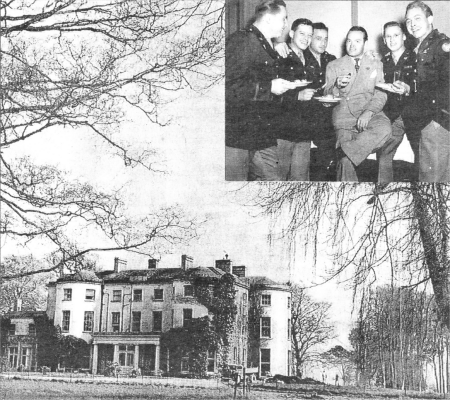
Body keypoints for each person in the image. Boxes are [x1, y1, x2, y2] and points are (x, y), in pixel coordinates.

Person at [225, 0, 298, 181]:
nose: (286, 24)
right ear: (267, 19)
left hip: (262, 134)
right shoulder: (242, 40)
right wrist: (270, 87)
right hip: (239, 136)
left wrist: (279, 87)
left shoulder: (265, 45)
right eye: (283, 19)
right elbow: (229, 88)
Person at [324, 26, 391, 181]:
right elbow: (326, 98)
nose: (352, 45)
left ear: (365, 43)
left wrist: (369, 112)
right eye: (349, 40)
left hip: (370, 114)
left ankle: (344, 151)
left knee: (385, 128)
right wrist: (336, 86)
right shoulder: (333, 65)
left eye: (357, 41)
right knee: (346, 164)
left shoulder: (376, 64)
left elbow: (381, 93)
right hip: (344, 119)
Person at [403, 1, 449, 182]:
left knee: (432, 182)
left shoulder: (441, 45)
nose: (412, 24)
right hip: (426, 121)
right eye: (408, 21)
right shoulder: (418, 48)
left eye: (417, 18)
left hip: (436, 121)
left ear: (430, 19)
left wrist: (438, 118)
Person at [276, 18, 316, 180]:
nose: (306, 38)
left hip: (304, 133)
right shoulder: (280, 56)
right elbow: (268, 95)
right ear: (291, 33)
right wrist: (297, 96)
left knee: (300, 181)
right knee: (277, 181)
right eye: (302, 33)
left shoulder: (310, 59)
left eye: (310, 35)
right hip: (282, 132)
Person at [377, 21, 417, 183]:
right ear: (384, 41)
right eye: (388, 36)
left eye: (396, 35)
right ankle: (382, 193)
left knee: (423, 156)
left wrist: (409, 89)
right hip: (393, 116)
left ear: (404, 37)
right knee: (383, 153)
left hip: (415, 115)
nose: (392, 40)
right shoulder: (382, 63)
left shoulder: (416, 57)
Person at [304, 22, 338, 180]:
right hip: (307, 113)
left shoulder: (331, 59)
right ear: (310, 39)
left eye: (325, 38)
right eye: (318, 38)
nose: (323, 42)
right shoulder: (301, 58)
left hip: (328, 114)